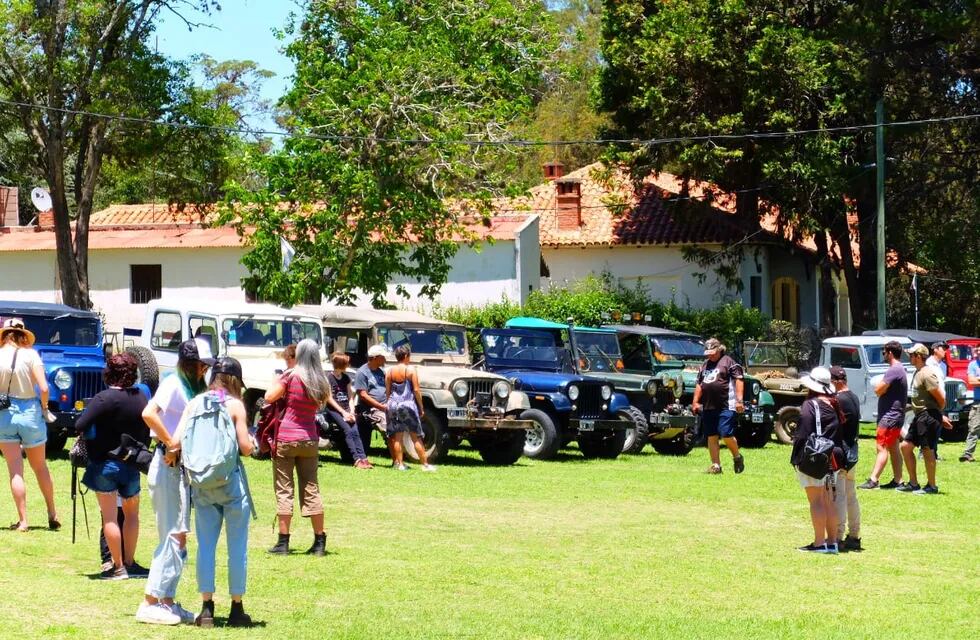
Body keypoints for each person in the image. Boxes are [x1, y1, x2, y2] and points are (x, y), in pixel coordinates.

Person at [169, 357, 255, 628]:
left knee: (205, 546)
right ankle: (236, 608)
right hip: (230, 483)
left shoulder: (195, 403)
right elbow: (246, 448)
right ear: (235, 382)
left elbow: (174, 441)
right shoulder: (235, 406)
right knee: (236, 547)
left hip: (202, 483)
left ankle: (206, 608)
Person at [136, 338, 213, 626]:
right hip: (168, 464)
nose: (205, 369)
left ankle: (166, 601)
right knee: (172, 534)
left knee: (179, 534)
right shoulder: (172, 383)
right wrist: (171, 443)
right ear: (190, 363)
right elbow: (148, 413)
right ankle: (150, 601)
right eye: (202, 364)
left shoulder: (195, 386)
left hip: (181, 468)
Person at [75, 353, 150, 579]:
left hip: (105, 463)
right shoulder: (140, 398)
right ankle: (131, 562)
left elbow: (81, 424)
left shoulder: (103, 398)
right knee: (132, 516)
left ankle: (117, 566)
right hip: (132, 462)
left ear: (109, 372)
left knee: (109, 517)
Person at [264, 338, 329, 557]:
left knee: (284, 489)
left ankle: (283, 542)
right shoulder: (320, 380)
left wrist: (276, 380)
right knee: (311, 487)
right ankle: (320, 541)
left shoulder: (291, 376)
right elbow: (322, 402)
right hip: (310, 438)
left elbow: (269, 397)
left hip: (287, 438)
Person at [0, 318, 60, 532]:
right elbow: (44, 388)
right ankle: (52, 512)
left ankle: (23, 521)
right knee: (40, 466)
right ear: (23, 335)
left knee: (15, 469)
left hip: (4, 413)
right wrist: (44, 407)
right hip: (30, 412)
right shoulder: (32, 355)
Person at [791, 367, 843, 554]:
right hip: (832, 457)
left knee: (816, 501)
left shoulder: (810, 405)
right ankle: (832, 541)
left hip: (815, 458)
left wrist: (797, 458)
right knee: (828, 500)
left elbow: (803, 433)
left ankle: (819, 543)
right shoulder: (833, 403)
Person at [899, 343, 949, 494]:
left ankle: (932, 486)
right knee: (905, 446)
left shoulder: (927, 373)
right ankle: (913, 483)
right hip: (919, 415)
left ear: (919, 356)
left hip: (928, 415)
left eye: (912, 355)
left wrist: (939, 415)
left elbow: (940, 398)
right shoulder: (918, 372)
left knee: (927, 450)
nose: (910, 357)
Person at [858, 340, 908, 490]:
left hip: (889, 417)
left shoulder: (894, 370)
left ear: (890, 353)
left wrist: (881, 387)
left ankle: (873, 480)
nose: (883, 355)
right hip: (895, 416)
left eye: (884, 352)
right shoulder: (900, 368)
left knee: (882, 447)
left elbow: (879, 389)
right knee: (893, 447)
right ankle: (898, 480)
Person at [692, 338, 745, 475]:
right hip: (709, 406)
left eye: (713, 352)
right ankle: (716, 465)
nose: (710, 355)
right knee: (711, 436)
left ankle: (737, 457)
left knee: (726, 433)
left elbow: (739, 380)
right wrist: (695, 402)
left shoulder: (729, 362)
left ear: (720, 349)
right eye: (708, 353)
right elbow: (699, 384)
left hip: (727, 405)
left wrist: (739, 400)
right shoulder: (704, 365)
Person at [385, 345, 434, 472]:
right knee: (416, 436)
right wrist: (421, 407)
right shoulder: (411, 370)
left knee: (397, 437)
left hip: (393, 405)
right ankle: (425, 465)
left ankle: (400, 464)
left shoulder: (389, 371)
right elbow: (416, 390)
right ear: (406, 356)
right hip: (407, 405)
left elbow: (388, 391)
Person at [829, 366, 862, 552]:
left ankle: (838, 536)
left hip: (842, 452)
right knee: (851, 495)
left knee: (839, 496)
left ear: (835, 381)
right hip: (853, 451)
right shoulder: (854, 397)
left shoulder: (838, 400)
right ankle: (855, 535)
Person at [324, 352, 372, 469]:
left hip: (346, 409)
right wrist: (343, 412)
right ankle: (356, 459)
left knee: (355, 431)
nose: (348, 365)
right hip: (334, 410)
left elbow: (350, 396)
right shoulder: (328, 378)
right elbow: (329, 398)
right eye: (346, 363)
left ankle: (363, 458)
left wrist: (351, 411)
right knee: (348, 430)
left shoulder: (346, 378)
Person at [353, 344, 390, 449]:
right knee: (387, 425)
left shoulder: (381, 372)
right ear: (375, 358)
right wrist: (380, 406)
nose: (385, 360)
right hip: (370, 409)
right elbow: (363, 395)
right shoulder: (362, 372)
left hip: (384, 406)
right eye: (382, 357)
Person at [959, 345, 980, 462]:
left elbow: (975, 380)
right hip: (978, 402)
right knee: (973, 428)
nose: (978, 352)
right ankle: (967, 455)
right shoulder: (973, 364)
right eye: (978, 350)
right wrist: (976, 380)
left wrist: (978, 379)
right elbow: (971, 381)